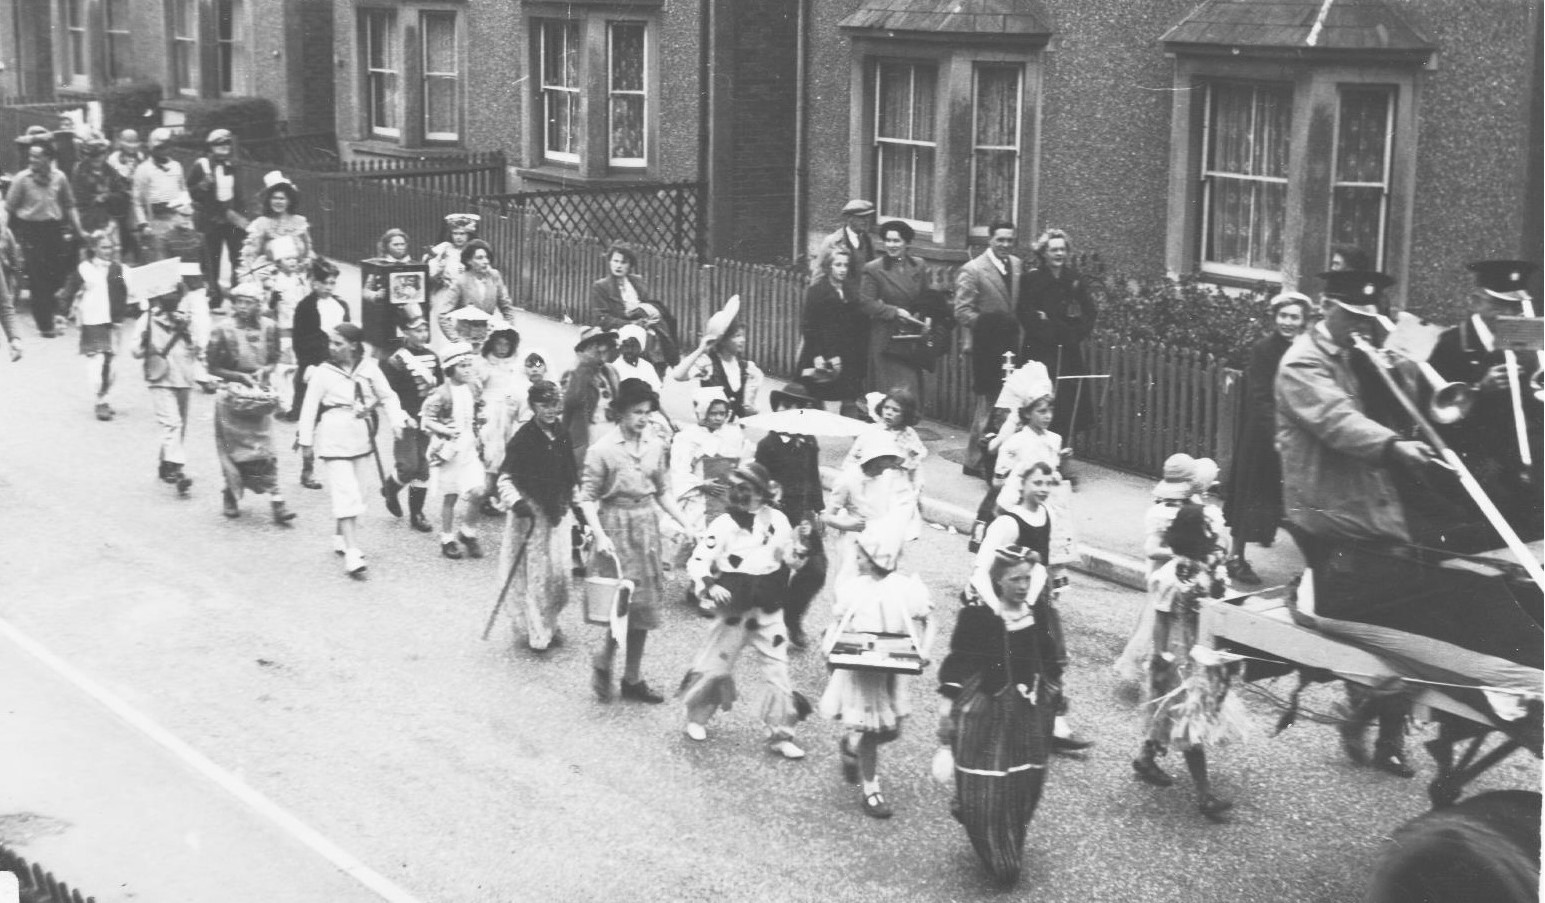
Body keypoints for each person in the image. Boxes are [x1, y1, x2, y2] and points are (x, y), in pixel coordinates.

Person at [1276, 269, 1543, 777]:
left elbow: (1406, 400)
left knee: (1464, 577)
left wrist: (1405, 366)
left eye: (1366, 316)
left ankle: (1387, 715)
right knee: (1432, 598)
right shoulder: (1302, 362)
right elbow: (1337, 421)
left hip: (1373, 508)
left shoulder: (1354, 353)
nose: (1360, 324)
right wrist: (1396, 445)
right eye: (1351, 315)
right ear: (1325, 307)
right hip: (1334, 517)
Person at [935, 546, 1060, 886]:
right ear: (998, 580)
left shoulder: (1036, 614)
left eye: (1026, 578)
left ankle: (1009, 845)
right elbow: (958, 660)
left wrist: (1054, 695)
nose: (1022, 585)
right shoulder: (978, 616)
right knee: (986, 784)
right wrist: (947, 708)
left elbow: (1049, 659)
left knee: (1024, 785)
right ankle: (994, 852)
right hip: (987, 710)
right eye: (1014, 579)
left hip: (1027, 712)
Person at [576, 378, 694, 704]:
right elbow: (586, 498)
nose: (643, 418)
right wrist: (599, 535)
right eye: (636, 412)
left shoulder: (655, 445)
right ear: (620, 412)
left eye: (647, 412)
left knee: (645, 607)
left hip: (647, 528)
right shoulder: (601, 450)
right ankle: (605, 658)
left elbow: (663, 491)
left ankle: (632, 678)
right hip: (616, 529)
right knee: (621, 605)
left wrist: (686, 523)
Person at [681, 462, 809, 759]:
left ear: (762, 493)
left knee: (778, 669)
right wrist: (710, 585)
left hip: (769, 606)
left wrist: (799, 552)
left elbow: (789, 559)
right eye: (738, 488)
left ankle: (781, 733)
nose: (740, 494)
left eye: (747, 490)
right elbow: (698, 561)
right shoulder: (724, 524)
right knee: (716, 665)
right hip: (733, 609)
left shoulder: (778, 520)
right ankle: (697, 717)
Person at [1130, 503, 1246, 820]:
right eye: (1208, 531)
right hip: (1181, 655)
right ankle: (1204, 795)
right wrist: (1161, 658)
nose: (1214, 536)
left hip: (1203, 648)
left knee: (1169, 712)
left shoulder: (1207, 569)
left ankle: (1145, 758)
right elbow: (1162, 620)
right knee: (1189, 720)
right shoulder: (1169, 577)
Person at [972, 461, 1092, 755]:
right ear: (1021, 484)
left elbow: (1044, 563)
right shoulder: (1008, 522)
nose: (1043, 489)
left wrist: (1046, 593)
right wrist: (998, 609)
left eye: (1048, 484)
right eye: (1037, 483)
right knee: (1008, 666)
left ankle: (1055, 727)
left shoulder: (1047, 514)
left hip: (1037, 600)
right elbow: (981, 570)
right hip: (1008, 605)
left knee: (1052, 661)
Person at [821, 518, 933, 818]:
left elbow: (928, 620)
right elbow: (836, 622)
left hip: (892, 667)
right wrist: (829, 645)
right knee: (873, 731)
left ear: (875, 558)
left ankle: (852, 744)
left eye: (860, 556)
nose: (856, 560)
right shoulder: (854, 588)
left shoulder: (905, 588)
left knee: (891, 731)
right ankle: (871, 790)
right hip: (861, 668)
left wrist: (924, 650)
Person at [1428, 260, 1543, 544]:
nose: (1511, 315)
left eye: (1515, 307)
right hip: (1475, 460)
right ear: (1476, 301)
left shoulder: (1525, 335)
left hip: (1520, 456)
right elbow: (1435, 414)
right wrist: (1480, 389)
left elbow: (1536, 399)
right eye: (1501, 306)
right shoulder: (1450, 343)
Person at [296, 322, 404, 578]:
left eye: (338, 343)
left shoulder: (368, 368)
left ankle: (340, 535)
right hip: (333, 435)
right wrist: (305, 442)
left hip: (361, 436)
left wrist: (397, 420)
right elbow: (309, 406)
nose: (332, 348)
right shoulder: (323, 372)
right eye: (331, 343)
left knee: (360, 491)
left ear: (353, 346)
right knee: (346, 492)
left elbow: (388, 396)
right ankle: (353, 553)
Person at [1221, 291, 1311, 584]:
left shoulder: (1307, 350)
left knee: (1297, 501)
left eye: (1294, 317)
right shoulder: (1264, 349)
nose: (1288, 322)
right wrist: (1277, 431)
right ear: (1275, 318)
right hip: (1263, 435)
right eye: (1283, 316)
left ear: (1303, 321)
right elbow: (1259, 395)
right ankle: (1236, 557)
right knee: (1251, 495)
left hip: (1296, 436)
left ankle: (1311, 570)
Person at [496, 379, 576, 652]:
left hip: (558, 512)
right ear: (532, 406)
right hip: (531, 514)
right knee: (537, 575)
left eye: (555, 404)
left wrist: (575, 503)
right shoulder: (524, 438)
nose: (551, 410)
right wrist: (517, 502)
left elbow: (570, 474)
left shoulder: (562, 433)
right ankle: (538, 630)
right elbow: (505, 479)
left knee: (560, 574)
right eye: (544, 405)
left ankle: (551, 619)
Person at [206, 282, 294, 524]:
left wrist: (264, 371)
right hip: (231, 399)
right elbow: (211, 366)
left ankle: (278, 501)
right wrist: (238, 376)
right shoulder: (222, 330)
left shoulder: (270, 327)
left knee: (266, 450)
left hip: (259, 398)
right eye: (239, 302)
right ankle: (230, 495)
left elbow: (274, 358)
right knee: (233, 453)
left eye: (248, 302)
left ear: (259, 305)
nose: (242, 307)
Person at [954, 221, 1025, 478]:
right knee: (988, 401)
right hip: (986, 345)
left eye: (1010, 240)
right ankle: (976, 460)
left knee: (1006, 400)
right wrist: (990, 324)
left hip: (1010, 345)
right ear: (989, 240)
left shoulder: (1016, 265)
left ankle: (986, 456)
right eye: (1000, 240)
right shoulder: (973, 270)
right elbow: (962, 311)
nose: (1005, 245)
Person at [1018, 229, 1098, 441]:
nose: (1059, 254)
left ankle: (1061, 454)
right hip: (1039, 350)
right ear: (1044, 252)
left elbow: (1089, 312)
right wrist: (1051, 329)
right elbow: (1026, 314)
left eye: (1063, 249)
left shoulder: (1075, 280)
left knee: (1066, 402)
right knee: (1038, 399)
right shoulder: (1031, 279)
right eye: (1054, 249)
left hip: (1068, 351)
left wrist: (1072, 333)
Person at [6, 138, 81, 337]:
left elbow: (69, 204)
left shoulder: (60, 178)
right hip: (31, 231)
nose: (32, 160)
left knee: (57, 276)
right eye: (30, 156)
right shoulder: (22, 179)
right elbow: (8, 208)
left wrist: (79, 229)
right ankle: (45, 325)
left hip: (53, 230)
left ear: (49, 158)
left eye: (37, 156)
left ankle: (53, 313)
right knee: (38, 278)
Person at [134, 282, 204, 495]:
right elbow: (135, 351)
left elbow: (199, 347)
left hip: (183, 376)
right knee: (172, 424)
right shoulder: (147, 320)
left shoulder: (188, 319)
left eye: (175, 294)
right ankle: (179, 470)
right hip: (160, 377)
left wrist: (193, 340)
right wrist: (144, 344)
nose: (172, 299)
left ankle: (166, 464)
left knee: (178, 426)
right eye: (167, 295)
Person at [670, 387, 752, 567]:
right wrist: (700, 484)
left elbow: (742, 461)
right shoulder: (687, 437)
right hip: (700, 496)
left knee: (725, 540)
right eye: (713, 413)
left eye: (722, 413)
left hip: (726, 494)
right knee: (699, 541)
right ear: (701, 412)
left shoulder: (732, 434)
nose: (718, 418)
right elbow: (679, 470)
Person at [420, 342, 486, 560]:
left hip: (469, 447)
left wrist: (479, 424)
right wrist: (442, 429)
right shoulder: (441, 394)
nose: (468, 370)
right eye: (462, 366)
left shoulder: (473, 387)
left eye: (469, 365)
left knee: (479, 490)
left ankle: (468, 532)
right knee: (451, 496)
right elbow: (426, 419)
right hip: (451, 449)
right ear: (450, 369)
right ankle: (447, 538)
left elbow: (476, 411)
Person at [58, 230, 133, 420]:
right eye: (104, 247)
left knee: (111, 363)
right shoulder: (84, 269)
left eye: (111, 247)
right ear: (94, 248)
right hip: (92, 321)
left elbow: (136, 288)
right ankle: (100, 401)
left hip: (113, 322)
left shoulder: (119, 269)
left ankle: (105, 397)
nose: (109, 251)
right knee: (97, 361)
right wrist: (61, 314)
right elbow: (69, 290)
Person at [823, 440, 920, 587]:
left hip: (880, 537)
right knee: (851, 581)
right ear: (874, 459)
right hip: (855, 539)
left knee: (878, 581)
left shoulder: (886, 475)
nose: (888, 467)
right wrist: (848, 524)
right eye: (885, 462)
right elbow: (826, 516)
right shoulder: (847, 480)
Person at [379, 313, 441, 532]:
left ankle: (417, 513)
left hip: (426, 420)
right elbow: (389, 395)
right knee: (408, 466)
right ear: (405, 332)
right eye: (417, 330)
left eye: (425, 330)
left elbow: (440, 388)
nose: (422, 334)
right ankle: (391, 487)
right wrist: (404, 416)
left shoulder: (433, 357)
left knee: (423, 469)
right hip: (406, 419)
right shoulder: (396, 361)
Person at [290, 258, 350, 486]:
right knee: (310, 419)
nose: (328, 287)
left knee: (337, 415)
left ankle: (340, 464)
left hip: (337, 369)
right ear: (313, 282)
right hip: (314, 367)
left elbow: (349, 337)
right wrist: (308, 364)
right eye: (323, 282)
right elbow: (301, 340)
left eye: (332, 283)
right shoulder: (305, 307)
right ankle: (307, 468)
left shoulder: (340, 306)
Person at [858, 220, 931, 402]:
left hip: (910, 337)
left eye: (896, 241)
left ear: (907, 243)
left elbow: (926, 297)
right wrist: (895, 311)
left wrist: (923, 317)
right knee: (889, 392)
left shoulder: (919, 265)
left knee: (909, 388)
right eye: (888, 241)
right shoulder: (874, 269)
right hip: (886, 338)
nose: (891, 245)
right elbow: (866, 303)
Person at [589, 240, 678, 375]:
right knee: (641, 340)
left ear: (630, 264)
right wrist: (630, 323)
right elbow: (602, 319)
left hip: (642, 325)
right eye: (615, 261)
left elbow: (645, 305)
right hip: (617, 330)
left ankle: (660, 371)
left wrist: (646, 319)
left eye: (623, 262)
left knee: (661, 330)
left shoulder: (637, 281)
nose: (618, 266)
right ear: (610, 261)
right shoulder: (601, 286)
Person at [798, 245, 869, 410]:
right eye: (838, 265)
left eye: (845, 265)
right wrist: (816, 354)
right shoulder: (817, 291)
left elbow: (858, 324)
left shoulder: (852, 291)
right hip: (822, 351)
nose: (842, 270)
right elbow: (809, 325)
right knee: (815, 397)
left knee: (849, 398)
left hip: (846, 354)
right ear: (829, 266)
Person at [186, 129, 248, 300]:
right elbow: (189, 191)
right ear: (211, 146)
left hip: (232, 219)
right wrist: (202, 186)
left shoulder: (234, 165)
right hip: (211, 219)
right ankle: (214, 296)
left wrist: (242, 216)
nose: (224, 147)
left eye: (227, 143)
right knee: (212, 259)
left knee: (238, 257)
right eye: (219, 144)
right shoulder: (202, 165)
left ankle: (239, 295)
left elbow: (240, 193)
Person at [478, 326, 528, 513]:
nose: (502, 348)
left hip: (508, 411)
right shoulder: (484, 363)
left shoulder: (515, 364)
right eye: (498, 343)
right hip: (490, 412)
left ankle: (500, 495)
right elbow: (478, 386)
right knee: (492, 455)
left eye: (506, 344)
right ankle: (486, 495)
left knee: (508, 455)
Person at [672, 321, 764, 418]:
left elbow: (749, 410)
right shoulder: (709, 364)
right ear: (723, 340)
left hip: (734, 430)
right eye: (737, 336)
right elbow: (678, 375)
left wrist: (752, 406)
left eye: (742, 336)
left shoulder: (747, 368)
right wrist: (700, 350)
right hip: (709, 430)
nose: (743, 340)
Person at [845, 389, 927, 496]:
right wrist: (847, 476)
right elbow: (854, 455)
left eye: (895, 410)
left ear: (906, 414)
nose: (888, 413)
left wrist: (916, 485)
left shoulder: (908, 434)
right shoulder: (872, 430)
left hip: (898, 483)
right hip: (873, 479)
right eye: (886, 408)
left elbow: (916, 463)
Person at [562, 327, 619, 470]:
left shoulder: (611, 371)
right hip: (588, 434)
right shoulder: (574, 373)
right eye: (595, 346)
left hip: (611, 431)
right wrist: (585, 365)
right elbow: (572, 400)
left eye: (602, 345)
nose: (601, 350)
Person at [438, 239, 516, 340]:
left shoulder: (494, 276)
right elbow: (442, 315)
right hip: (466, 339)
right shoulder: (460, 281)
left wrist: (508, 332)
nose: (485, 261)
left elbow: (506, 307)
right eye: (480, 258)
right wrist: (456, 339)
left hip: (488, 338)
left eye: (487, 257)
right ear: (468, 261)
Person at [130, 129, 187, 262]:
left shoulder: (176, 166)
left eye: (167, 147)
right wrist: (143, 224)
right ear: (152, 148)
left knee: (180, 258)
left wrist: (186, 218)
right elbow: (137, 201)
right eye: (160, 148)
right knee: (160, 259)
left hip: (176, 218)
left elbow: (184, 192)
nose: (164, 151)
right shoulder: (143, 169)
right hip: (156, 221)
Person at [240, 171, 311, 273]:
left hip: (298, 278)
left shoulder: (299, 222)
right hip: (271, 279)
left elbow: (308, 253)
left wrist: (306, 264)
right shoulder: (262, 223)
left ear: (289, 201)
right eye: (274, 198)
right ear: (269, 201)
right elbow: (250, 255)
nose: (278, 202)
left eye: (282, 198)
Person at [426, 213, 478, 352]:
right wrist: (439, 270)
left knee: (464, 327)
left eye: (462, 233)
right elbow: (430, 270)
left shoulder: (473, 250)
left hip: (467, 295)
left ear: (469, 234)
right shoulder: (445, 248)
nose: (459, 237)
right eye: (455, 233)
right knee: (442, 327)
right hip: (445, 293)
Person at [69, 133, 127, 244]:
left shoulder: (110, 171)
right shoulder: (79, 171)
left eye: (101, 153)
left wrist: (107, 197)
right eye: (93, 155)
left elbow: (122, 194)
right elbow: (78, 198)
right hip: (87, 222)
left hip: (109, 222)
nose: (98, 158)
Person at [813, 199, 877, 288]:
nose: (866, 221)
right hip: (840, 296)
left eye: (867, 217)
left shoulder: (868, 241)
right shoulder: (833, 241)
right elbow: (819, 274)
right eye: (861, 217)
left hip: (862, 296)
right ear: (849, 218)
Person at [105, 129, 145, 261]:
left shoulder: (140, 157)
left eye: (134, 143)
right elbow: (112, 180)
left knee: (138, 232)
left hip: (137, 198)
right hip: (121, 201)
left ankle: (139, 257)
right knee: (123, 232)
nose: (131, 147)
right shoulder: (113, 158)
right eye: (128, 143)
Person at [611, 324, 661, 391]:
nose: (629, 350)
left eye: (633, 346)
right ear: (621, 347)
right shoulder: (614, 368)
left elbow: (656, 391)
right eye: (626, 346)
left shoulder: (647, 367)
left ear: (640, 348)